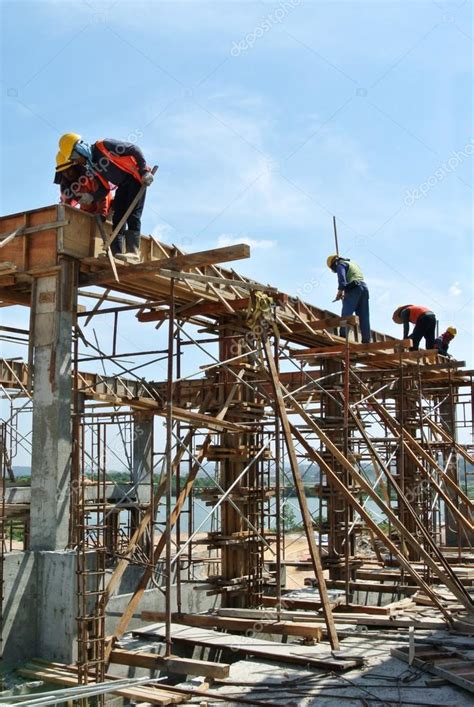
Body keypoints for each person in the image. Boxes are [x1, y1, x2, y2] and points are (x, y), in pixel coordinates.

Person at [58, 133, 154, 262]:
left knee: (133, 215)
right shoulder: (93, 166)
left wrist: (144, 172)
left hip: (136, 180)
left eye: (74, 156)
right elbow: (104, 189)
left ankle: (133, 251)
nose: (76, 161)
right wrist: (91, 197)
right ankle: (116, 253)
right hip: (123, 185)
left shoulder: (104, 145)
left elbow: (134, 149)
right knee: (118, 217)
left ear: (79, 149)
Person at [54, 151, 112, 219]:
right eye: (63, 172)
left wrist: (102, 213)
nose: (67, 174)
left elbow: (102, 194)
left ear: (75, 167)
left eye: (69, 170)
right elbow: (65, 205)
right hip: (87, 212)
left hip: (107, 209)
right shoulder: (66, 185)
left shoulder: (90, 176)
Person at [327, 254, 371, 343]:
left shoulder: (340, 265)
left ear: (333, 264)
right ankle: (366, 340)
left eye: (333, 269)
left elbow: (342, 281)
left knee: (346, 314)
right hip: (364, 288)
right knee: (364, 317)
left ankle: (343, 336)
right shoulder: (351, 263)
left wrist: (339, 292)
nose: (334, 271)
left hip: (353, 289)